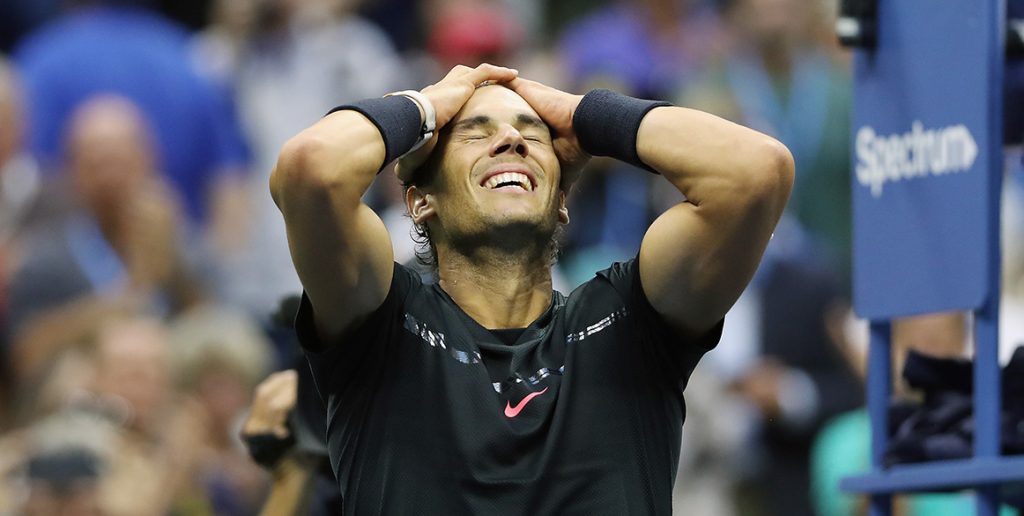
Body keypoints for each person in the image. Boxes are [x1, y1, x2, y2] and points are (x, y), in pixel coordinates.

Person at [270, 63, 793, 514]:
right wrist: (424, 106)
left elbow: (755, 173)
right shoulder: (381, 322)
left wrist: (585, 114)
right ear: (419, 202)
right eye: (476, 133)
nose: (513, 140)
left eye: (533, 134)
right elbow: (311, 169)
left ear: (563, 200)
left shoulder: (631, 324)